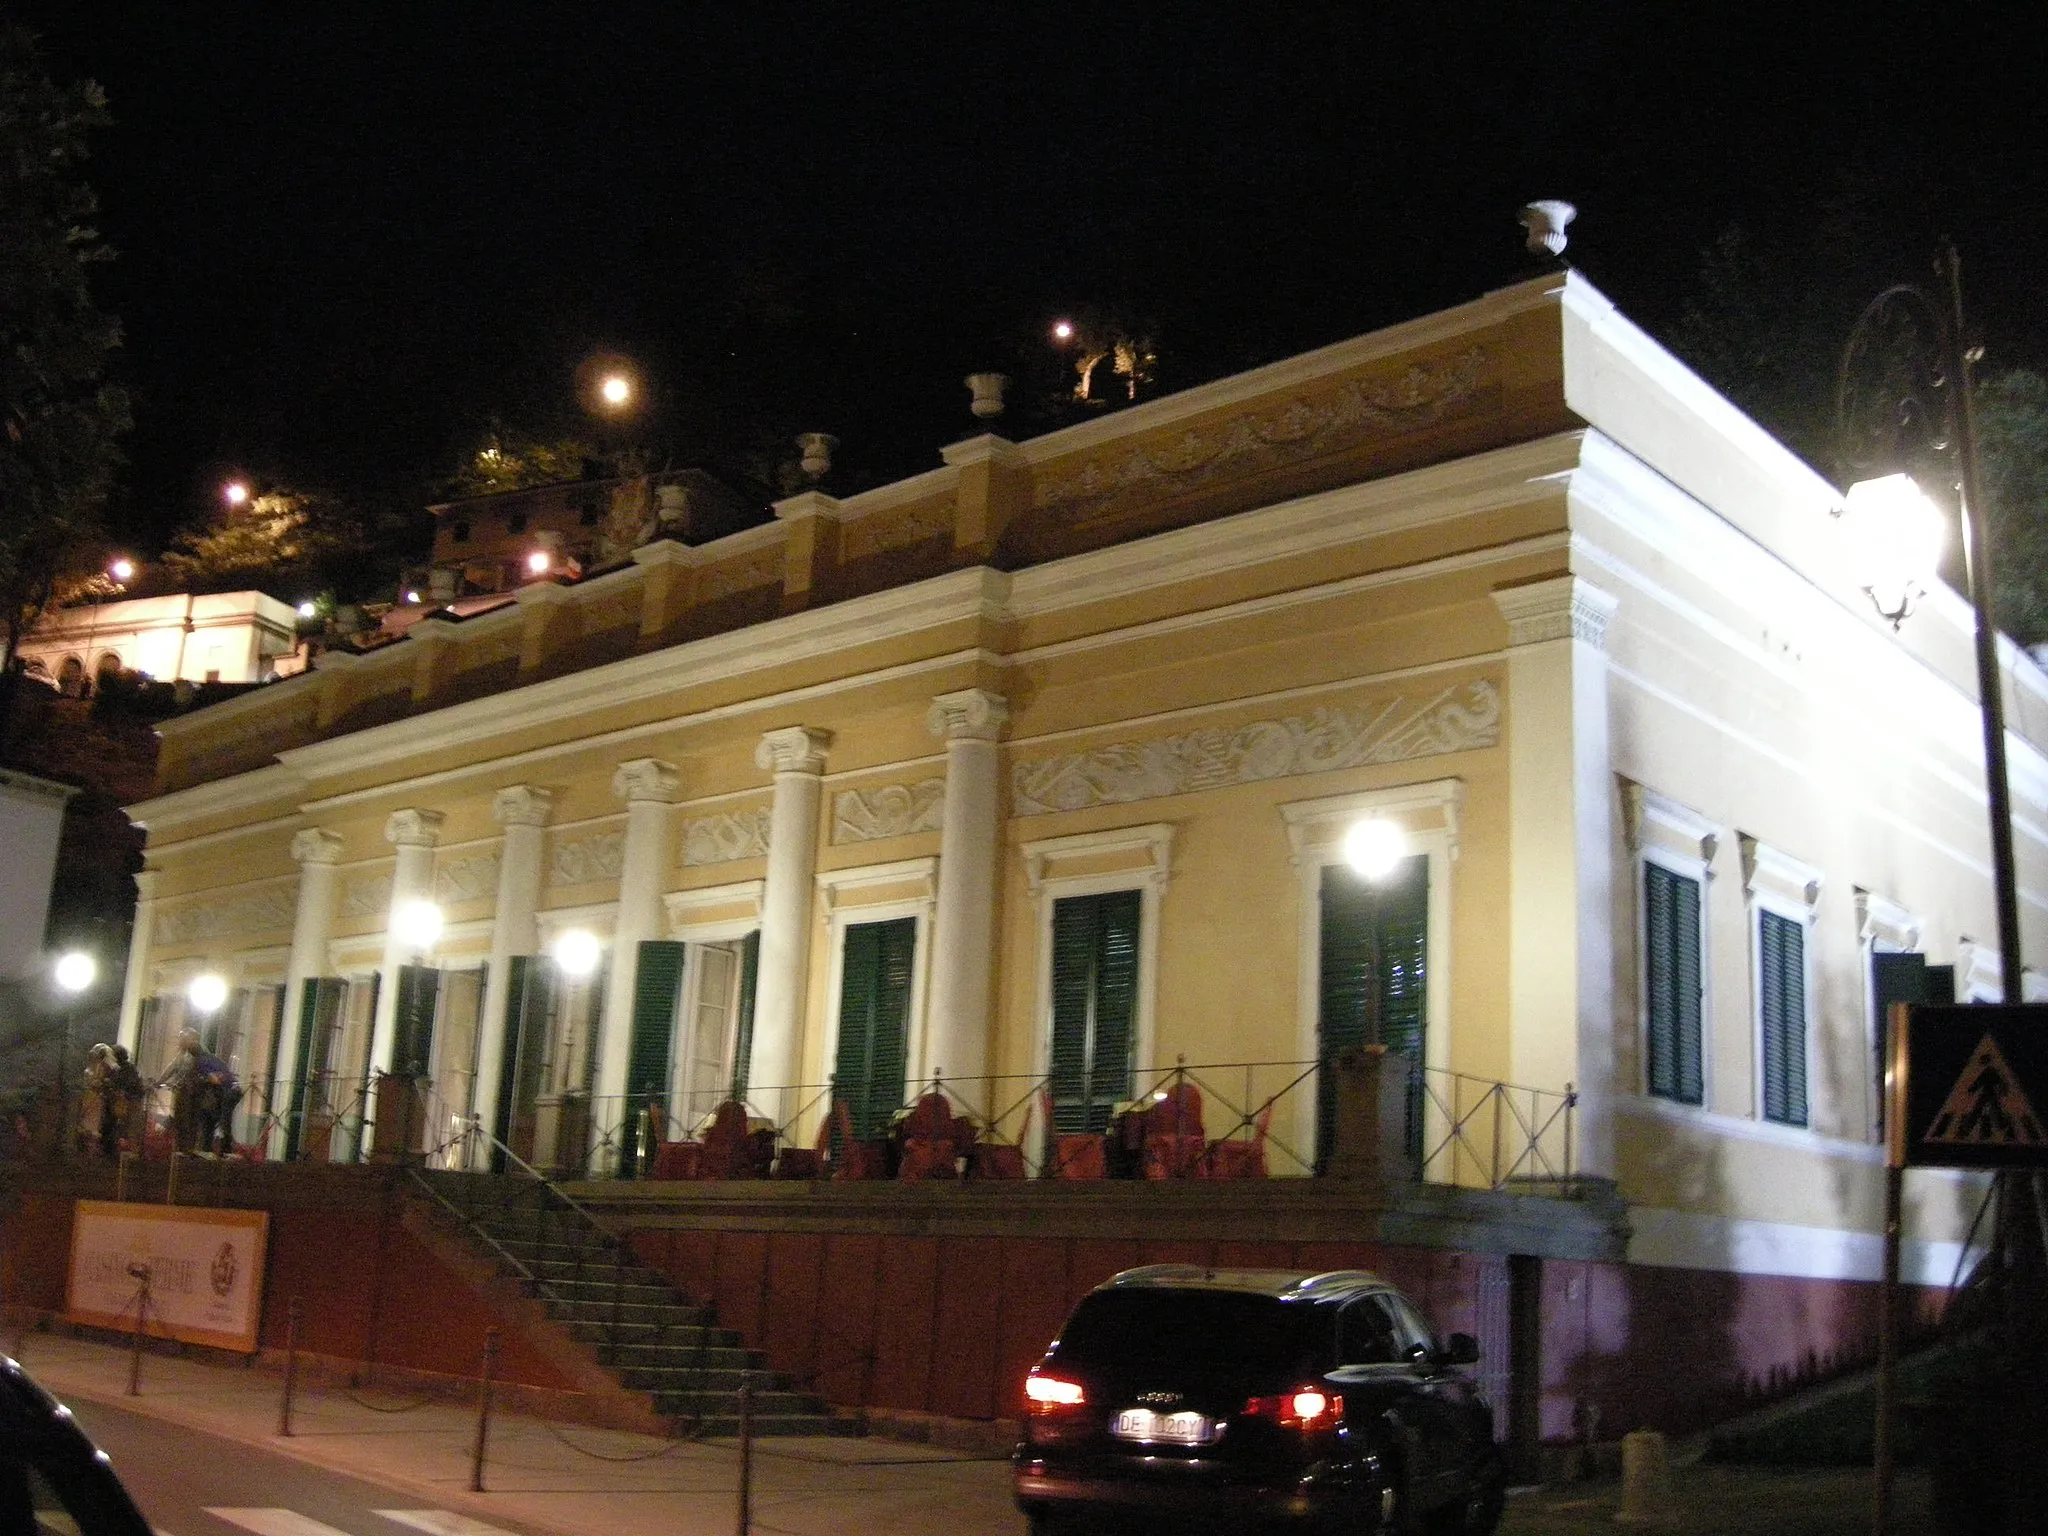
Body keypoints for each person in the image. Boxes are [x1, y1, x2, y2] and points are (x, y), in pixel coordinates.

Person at [104, 1045, 144, 1158]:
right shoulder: (126, 1068)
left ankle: (133, 1152)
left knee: (132, 1125)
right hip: (129, 1099)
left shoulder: (125, 1069)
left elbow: (126, 1085)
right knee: (128, 1125)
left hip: (131, 1100)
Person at [76, 1044, 115, 1160]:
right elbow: (98, 1083)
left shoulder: (90, 1070)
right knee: (92, 1125)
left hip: (90, 1098)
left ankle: (86, 1152)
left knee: (86, 1123)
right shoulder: (99, 1069)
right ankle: (89, 1153)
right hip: (94, 1099)